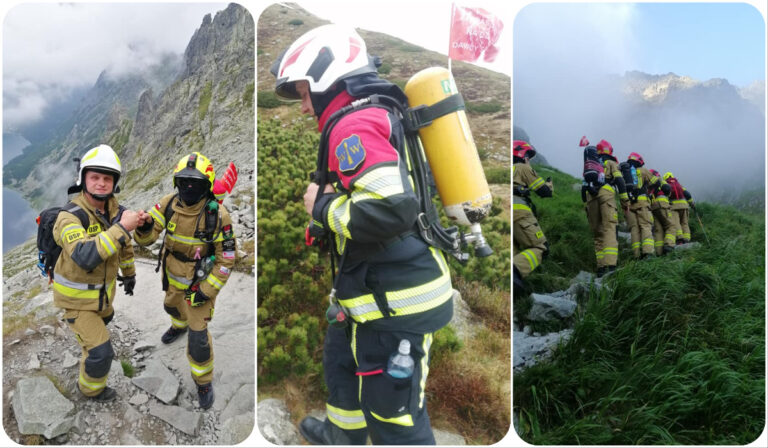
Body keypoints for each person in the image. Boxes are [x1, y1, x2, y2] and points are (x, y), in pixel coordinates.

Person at [271, 24, 454, 445]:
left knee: (395, 420)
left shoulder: (353, 124)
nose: (303, 107)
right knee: (341, 363)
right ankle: (343, 434)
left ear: (325, 77)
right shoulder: (371, 114)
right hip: (371, 293)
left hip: (394, 306)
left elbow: (388, 210)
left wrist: (320, 207)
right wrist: (328, 219)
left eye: (303, 93)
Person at [133, 152, 237, 409]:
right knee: (171, 307)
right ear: (176, 182)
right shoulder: (168, 203)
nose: (189, 187)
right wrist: (144, 226)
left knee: (198, 341)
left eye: (195, 183)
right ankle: (179, 325)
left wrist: (207, 291)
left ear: (207, 185)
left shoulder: (218, 215)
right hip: (172, 278)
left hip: (200, 285)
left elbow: (227, 259)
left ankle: (203, 382)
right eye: (184, 182)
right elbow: (146, 238)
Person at [53, 144, 140, 401]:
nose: (101, 183)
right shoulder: (69, 217)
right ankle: (90, 390)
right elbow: (84, 256)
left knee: (104, 324)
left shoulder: (115, 211)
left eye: (107, 178)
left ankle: (88, 346)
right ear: (83, 179)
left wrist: (129, 274)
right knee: (102, 353)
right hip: (76, 303)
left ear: (115, 183)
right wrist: (122, 228)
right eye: (95, 177)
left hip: (102, 299)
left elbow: (124, 247)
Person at [582, 140, 628, 277]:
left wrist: (587, 203)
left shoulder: (590, 165)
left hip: (591, 197)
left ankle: (601, 267)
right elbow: (620, 181)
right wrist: (625, 201)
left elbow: (583, 189)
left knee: (598, 233)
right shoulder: (611, 163)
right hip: (606, 194)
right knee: (609, 229)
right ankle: (610, 266)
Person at [513, 140, 552, 292]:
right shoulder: (522, 167)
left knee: (514, 250)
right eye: (528, 156)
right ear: (522, 155)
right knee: (541, 247)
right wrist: (549, 186)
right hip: (520, 212)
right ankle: (514, 271)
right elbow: (544, 192)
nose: (528, 160)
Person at [624, 152, 660, 259]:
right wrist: (648, 188)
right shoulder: (643, 170)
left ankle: (636, 254)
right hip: (642, 203)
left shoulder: (625, 172)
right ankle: (648, 253)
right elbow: (656, 182)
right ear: (639, 161)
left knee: (634, 229)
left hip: (629, 204)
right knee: (645, 226)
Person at [648, 168, 675, 255]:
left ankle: (659, 252)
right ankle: (669, 245)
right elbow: (667, 188)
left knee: (658, 230)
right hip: (662, 204)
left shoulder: (647, 183)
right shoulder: (659, 179)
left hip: (653, 207)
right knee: (670, 226)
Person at [663, 171, 695, 244]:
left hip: (674, 207)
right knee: (684, 223)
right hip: (684, 206)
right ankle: (687, 239)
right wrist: (691, 204)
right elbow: (687, 194)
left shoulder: (666, 185)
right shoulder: (679, 184)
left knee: (676, 223)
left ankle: (680, 239)